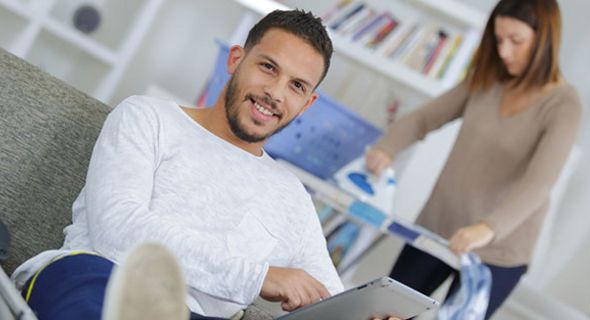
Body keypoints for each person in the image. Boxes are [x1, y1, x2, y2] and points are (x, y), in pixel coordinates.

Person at [11, 9, 345, 320]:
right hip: (103, 278)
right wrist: (256, 278)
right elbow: (117, 227)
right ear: (235, 59)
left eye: (296, 86)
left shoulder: (291, 198)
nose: (275, 92)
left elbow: (335, 302)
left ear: (307, 104)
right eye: (268, 67)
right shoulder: (147, 117)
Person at [365, 0, 581, 319]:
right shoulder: (486, 80)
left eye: (516, 41)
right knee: (384, 313)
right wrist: (387, 147)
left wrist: (486, 229)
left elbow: (539, 184)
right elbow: (426, 117)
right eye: (499, 39)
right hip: (439, 230)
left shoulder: (564, 105)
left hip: (497, 252)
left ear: (545, 39)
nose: (504, 51)